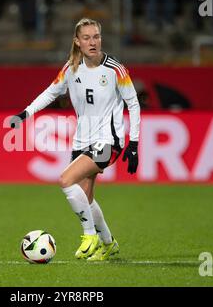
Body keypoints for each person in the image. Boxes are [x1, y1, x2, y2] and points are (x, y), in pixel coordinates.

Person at [9, 18, 141, 261]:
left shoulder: (115, 69)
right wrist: (25, 113)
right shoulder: (71, 68)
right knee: (86, 197)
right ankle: (108, 244)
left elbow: (133, 103)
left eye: (97, 36)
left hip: (108, 141)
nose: (93, 42)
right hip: (82, 141)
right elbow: (51, 92)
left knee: (65, 179)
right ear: (77, 42)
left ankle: (89, 236)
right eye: (87, 38)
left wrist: (133, 144)